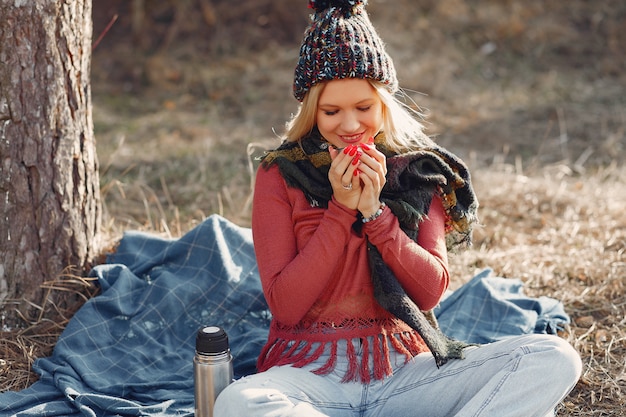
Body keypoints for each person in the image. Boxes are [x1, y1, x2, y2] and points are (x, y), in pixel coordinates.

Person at [214, 1, 582, 416]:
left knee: (552, 356)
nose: (350, 125)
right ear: (310, 110)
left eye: (363, 108)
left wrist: (374, 214)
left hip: (404, 372)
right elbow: (286, 304)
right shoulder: (280, 174)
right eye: (331, 111)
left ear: (384, 103)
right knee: (237, 401)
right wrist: (339, 210)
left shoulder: (419, 173)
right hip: (310, 376)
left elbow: (429, 290)